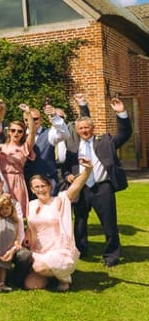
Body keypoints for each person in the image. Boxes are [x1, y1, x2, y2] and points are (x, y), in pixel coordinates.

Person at [63, 96, 131, 267]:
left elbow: (124, 133)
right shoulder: (72, 148)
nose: (84, 131)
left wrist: (121, 113)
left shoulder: (106, 142)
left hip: (102, 188)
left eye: (87, 127)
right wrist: (67, 176)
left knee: (109, 223)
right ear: (77, 131)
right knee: (79, 222)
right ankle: (81, 250)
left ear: (92, 128)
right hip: (81, 188)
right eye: (81, 128)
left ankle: (111, 255)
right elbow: (64, 167)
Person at [24, 159, 93, 291]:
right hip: (38, 251)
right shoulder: (31, 206)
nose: (40, 189)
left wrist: (88, 170)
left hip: (58, 250)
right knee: (31, 285)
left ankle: (64, 277)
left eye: (43, 186)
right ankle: (52, 275)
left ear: (49, 187)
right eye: (36, 187)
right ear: (32, 190)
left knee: (39, 267)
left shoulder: (60, 200)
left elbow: (76, 186)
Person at [0, 103, 37, 215]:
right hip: (2, 180)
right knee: (2, 211)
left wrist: (28, 113)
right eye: (13, 130)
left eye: (20, 131)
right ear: (8, 132)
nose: (16, 133)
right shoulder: (1, 147)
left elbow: (33, 132)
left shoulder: (24, 147)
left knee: (17, 212)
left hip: (17, 180)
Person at [0, 194, 21, 293]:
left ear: (11, 208)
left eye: (7, 208)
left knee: (3, 266)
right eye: (2, 208)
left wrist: (16, 244)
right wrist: (3, 199)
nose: (4, 210)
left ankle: (3, 283)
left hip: (6, 247)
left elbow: (16, 236)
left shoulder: (15, 221)